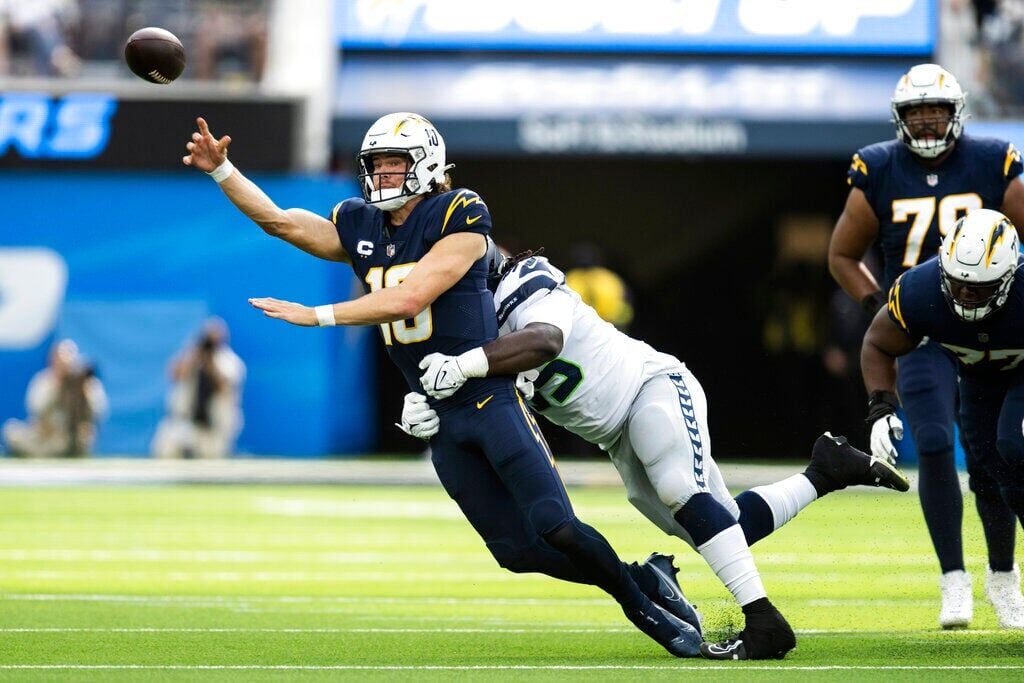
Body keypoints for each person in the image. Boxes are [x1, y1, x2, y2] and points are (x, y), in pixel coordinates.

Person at [182, 112, 702, 657]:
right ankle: (645, 579)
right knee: (515, 552)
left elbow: (410, 297)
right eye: (374, 165)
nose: (381, 175)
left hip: (488, 396)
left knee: (557, 526)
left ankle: (642, 607)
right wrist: (223, 171)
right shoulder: (361, 223)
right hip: (439, 412)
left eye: (393, 164)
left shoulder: (459, 211)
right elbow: (282, 222)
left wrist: (317, 315)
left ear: (426, 164)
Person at [410, 245, 910, 660]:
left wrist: (466, 365)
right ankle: (828, 470)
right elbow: (475, 399)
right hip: (613, 435)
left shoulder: (525, 282)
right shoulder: (468, 330)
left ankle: (764, 621)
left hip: (650, 388)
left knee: (679, 490)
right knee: (720, 525)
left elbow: (544, 340)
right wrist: (432, 410)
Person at [828, 62, 1024, 628]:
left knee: (996, 457)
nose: (929, 120)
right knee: (934, 443)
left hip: (998, 320)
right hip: (925, 319)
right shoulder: (881, 167)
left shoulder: (992, 160)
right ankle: (954, 580)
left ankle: (1003, 576)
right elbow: (843, 255)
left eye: (937, 109)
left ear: (956, 111)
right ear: (900, 119)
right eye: (917, 112)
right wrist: (880, 309)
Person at [862, 208, 1024, 629]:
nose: (968, 296)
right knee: (991, 473)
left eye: (981, 288)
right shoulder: (920, 290)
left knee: (1015, 445)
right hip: (980, 378)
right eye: (960, 285)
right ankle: (1001, 579)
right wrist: (880, 406)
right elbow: (878, 343)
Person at [150, 317, 245, 459]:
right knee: (167, 453)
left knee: (212, 463)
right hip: (184, 420)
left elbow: (224, 387)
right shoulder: (192, 357)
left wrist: (209, 363)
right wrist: (193, 354)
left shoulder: (229, 361)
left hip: (214, 425)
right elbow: (174, 375)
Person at [3, 339, 107, 457]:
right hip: (47, 436)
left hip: (74, 437)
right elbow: (36, 410)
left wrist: (84, 392)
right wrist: (57, 387)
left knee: (79, 439)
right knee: (12, 431)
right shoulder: (44, 380)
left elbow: (98, 413)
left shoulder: (88, 385)